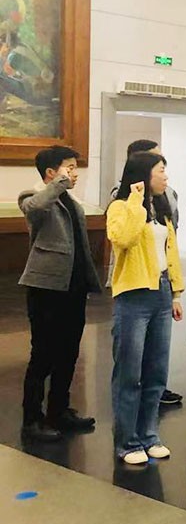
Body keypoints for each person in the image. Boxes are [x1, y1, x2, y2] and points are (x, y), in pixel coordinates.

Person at [19, 146, 102, 442]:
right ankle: (32, 419)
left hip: (73, 287)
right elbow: (34, 208)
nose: (75, 173)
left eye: (76, 168)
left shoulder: (70, 199)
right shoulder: (34, 195)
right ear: (51, 172)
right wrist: (58, 184)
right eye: (70, 167)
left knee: (68, 352)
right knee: (43, 354)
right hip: (46, 288)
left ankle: (59, 410)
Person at [107, 152, 184, 465]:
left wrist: (176, 293)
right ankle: (127, 442)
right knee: (130, 372)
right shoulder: (121, 207)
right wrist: (135, 202)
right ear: (142, 174)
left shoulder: (162, 209)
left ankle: (150, 435)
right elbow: (122, 238)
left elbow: (171, 252)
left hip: (161, 292)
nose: (166, 176)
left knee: (156, 371)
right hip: (133, 295)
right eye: (161, 170)